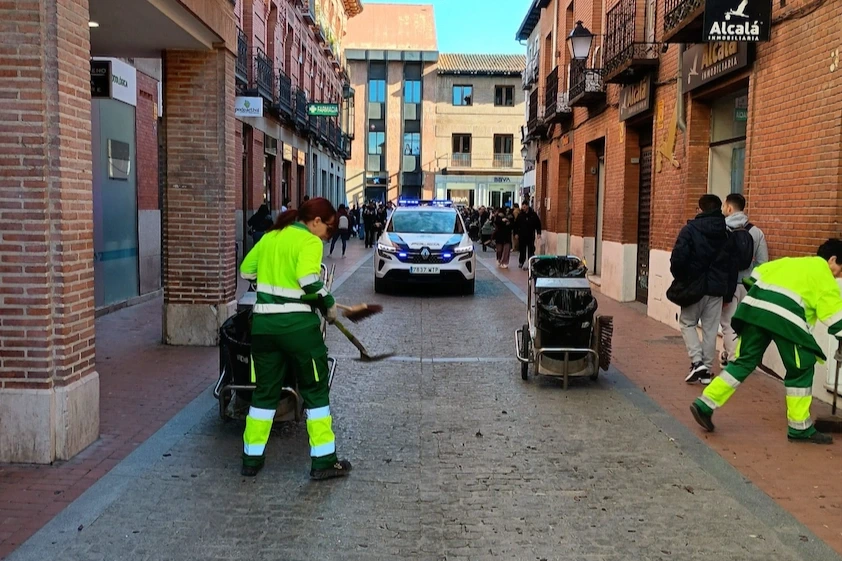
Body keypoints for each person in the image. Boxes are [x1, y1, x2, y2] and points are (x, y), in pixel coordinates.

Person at [238, 198, 352, 480]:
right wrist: (328, 302)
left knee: (265, 392)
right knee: (315, 391)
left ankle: (251, 459)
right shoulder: (310, 243)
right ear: (315, 222)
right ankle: (324, 460)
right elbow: (307, 280)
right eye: (328, 229)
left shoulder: (271, 236)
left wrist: (274, 280)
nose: (327, 236)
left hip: (263, 327)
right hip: (299, 330)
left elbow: (246, 271)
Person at [690, 239, 842, 445]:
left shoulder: (790, 262)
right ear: (832, 259)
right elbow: (835, 316)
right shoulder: (824, 276)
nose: (839, 274)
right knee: (802, 368)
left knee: (743, 362)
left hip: (754, 310)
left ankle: (705, 404)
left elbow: (756, 275)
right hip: (786, 319)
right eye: (840, 269)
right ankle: (800, 428)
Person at [667, 194, 737, 385]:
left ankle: (697, 362)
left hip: (693, 287)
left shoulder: (689, 230)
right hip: (716, 290)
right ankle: (705, 370)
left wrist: (682, 278)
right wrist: (728, 293)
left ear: (700, 210)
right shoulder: (726, 234)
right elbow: (732, 267)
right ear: (718, 209)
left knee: (687, 322)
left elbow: (678, 260)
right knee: (710, 330)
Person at [720, 193, 769, 366]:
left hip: (728, 285)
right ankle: (728, 354)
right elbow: (763, 263)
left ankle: (735, 361)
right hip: (748, 286)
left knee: (728, 324)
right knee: (742, 325)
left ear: (729, 207)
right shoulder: (756, 232)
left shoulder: (722, 230)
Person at [515, 201, 542, 269]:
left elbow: (538, 224)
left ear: (527, 206)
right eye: (522, 206)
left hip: (530, 235)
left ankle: (531, 262)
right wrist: (516, 233)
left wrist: (538, 233)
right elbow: (516, 225)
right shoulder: (520, 215)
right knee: (522, 250)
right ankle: (521, 261)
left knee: (531, 249)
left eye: (524, 206)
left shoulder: (533, 215)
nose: (523, 208)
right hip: (522, 235)